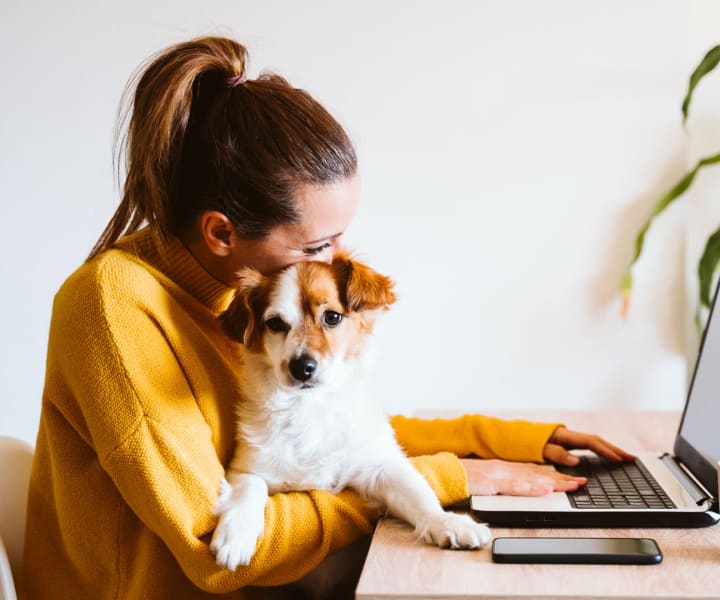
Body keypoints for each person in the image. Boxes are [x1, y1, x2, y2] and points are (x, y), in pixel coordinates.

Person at [21, 36, 635, 599]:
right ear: (221, 233)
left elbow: (327, 435)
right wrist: (432, 485)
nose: (334, 262)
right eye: (317, 246)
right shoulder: (113, 307)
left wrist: (511, 444)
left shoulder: (233, 302)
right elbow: (215, 552)